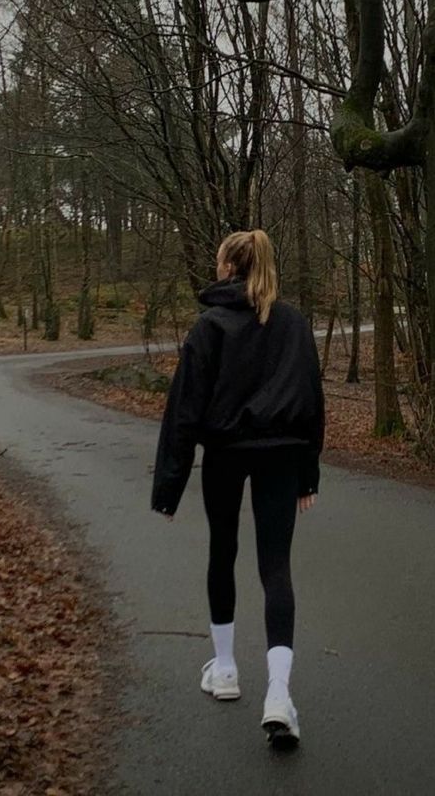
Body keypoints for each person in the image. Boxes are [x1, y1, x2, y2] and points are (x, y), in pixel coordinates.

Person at [151, 229, 325, 748]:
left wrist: (170, 485)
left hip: (225, 455)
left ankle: (225, 669)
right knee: (276, 568)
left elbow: (184, 410)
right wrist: (308, 472)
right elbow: (313, 400)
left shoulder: (210, 326)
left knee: (221, 551)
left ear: (228, 266)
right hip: (281, 457)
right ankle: (278, 695)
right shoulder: (293, 324)